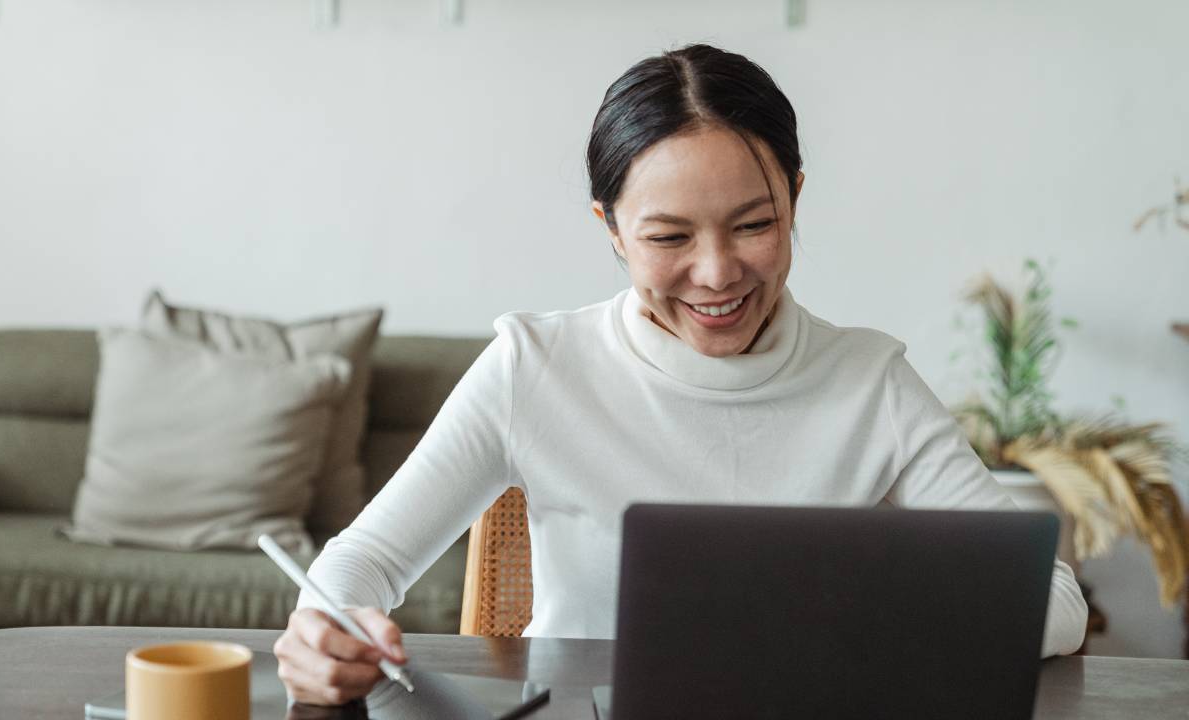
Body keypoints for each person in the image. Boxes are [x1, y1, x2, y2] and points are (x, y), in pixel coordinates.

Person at [273, 43, 1088, 706]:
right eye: (668, 238)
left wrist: (864, 619)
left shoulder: (869, 381)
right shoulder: (535, 367)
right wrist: (325, 627)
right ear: (613, 231)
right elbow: (362, 561)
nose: (717, 273)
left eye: (755, 224)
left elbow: (1053, 602)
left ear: (795, 200)